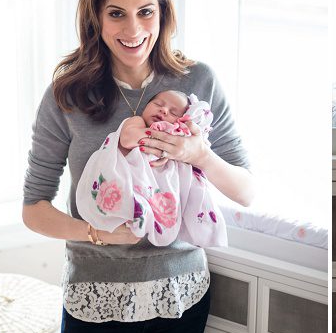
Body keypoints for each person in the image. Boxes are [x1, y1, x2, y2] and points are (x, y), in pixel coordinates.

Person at [22, 0, 255, 333]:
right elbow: (33, 209)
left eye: (145, 12)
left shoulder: (198, 82)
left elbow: (246, 189)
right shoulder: (67, 96)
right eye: (117, 14)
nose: (133, 30)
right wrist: (97, 232)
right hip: (97, 298)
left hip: (181, 297)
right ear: (96, 19)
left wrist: (200, 154)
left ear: (163, 14)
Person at [76, 89, 228, 248]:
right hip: (126, 177)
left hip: (151, 184)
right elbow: (128, 139)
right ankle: (133, 213)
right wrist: (165, 139)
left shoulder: (180, 142)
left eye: (174, 113)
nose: (164, 110)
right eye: (158, 104)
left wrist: (177, 141)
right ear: (146, 106)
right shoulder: (136, 122)